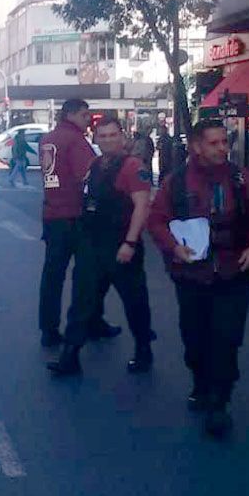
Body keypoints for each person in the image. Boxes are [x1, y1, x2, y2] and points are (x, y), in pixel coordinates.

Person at [147, 120, 249, 439]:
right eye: (213, 143)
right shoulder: (175, 183)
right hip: (191, 275)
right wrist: (174, 248)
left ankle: (220, 401)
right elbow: (157, 221)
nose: (222, 148)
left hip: (233, 273)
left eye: (224, 142)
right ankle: (200, 382)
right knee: (195, 337)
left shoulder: (244, 181)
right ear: (197, 146)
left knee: (227, 338)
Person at [48, 117, 154, 377]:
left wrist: (130, 242)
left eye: (112, 135)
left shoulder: (133, 167)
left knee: (134, 302)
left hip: (121, 245)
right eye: (102, 136)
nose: (107, 140)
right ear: (96, 138)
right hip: (92, 244)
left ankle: (143, 350)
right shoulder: (95, 165)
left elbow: (142, 205)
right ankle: (70, 356)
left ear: (122, 136)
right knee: (81, 300)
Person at [38, 99, 120, 347]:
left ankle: (48, 329)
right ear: (71, 115)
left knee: (53, 276)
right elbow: (90, 175)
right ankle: (91, 323)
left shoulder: (48, 139)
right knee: (89, 275)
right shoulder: (75, 141)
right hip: (76, 216)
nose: (88, 120)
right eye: (85, 115)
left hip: (52, 214)